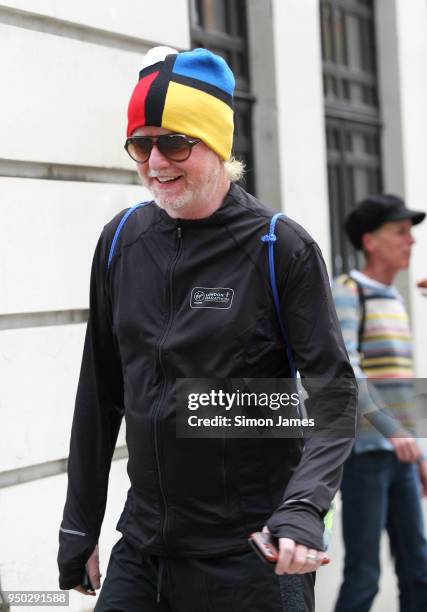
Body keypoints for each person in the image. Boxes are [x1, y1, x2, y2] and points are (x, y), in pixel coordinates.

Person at [57, 46, 356, 612]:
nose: (154, 162)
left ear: (217, 144)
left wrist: (304, 506)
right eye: (139, 145)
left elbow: (334, 393)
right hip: (144, 550)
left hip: (249, 553)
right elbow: (100, 392)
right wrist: (79, 525)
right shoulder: (121, 240)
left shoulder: (279, 247)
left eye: (173, 142)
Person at [332, 194, 427, 612]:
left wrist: (418, 450)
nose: (411, 242)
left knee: (419, 570)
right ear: (370, 241)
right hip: (365, 455)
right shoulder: (349, 292)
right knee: (364, 577)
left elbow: (401, 385)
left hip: (401, 456)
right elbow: (347, 371)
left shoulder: (395, 297)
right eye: (400, 233)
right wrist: (395, 432)